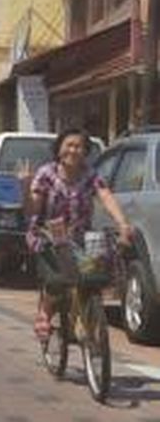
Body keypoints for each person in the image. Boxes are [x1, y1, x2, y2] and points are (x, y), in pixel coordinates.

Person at [28, 128, 132, 340]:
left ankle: (85, 311)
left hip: (79, 236)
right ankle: (45, 313)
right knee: (57, 280)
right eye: (69, 145)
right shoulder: (46, 174)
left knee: (94, 274)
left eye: (79, 147)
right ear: (59, 149)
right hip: (48, 236)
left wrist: (123, 224)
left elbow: (105, 195)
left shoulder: (90, 175)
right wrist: (25, 188)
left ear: (85, 152)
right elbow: (33, 207)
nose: (74, 150)